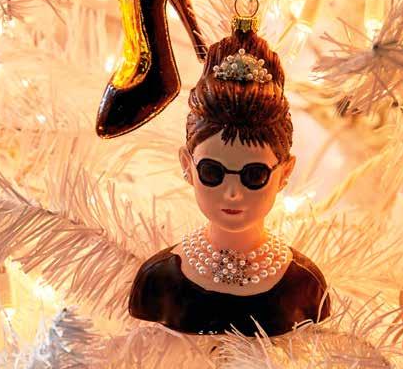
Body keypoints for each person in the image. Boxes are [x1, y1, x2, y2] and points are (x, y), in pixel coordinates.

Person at [129, 26, 330, 336]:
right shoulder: (159, 283)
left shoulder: (305, 288)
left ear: (285, 173)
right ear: (187, 165)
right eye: (213, 172)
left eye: (254, 175)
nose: (233, 193)